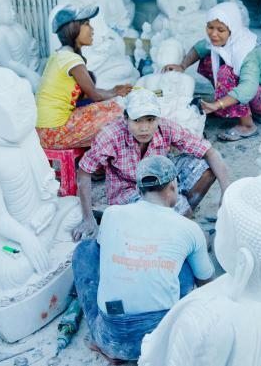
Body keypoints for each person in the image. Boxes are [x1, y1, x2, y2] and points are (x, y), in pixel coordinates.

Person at [72, 155, 215, 363]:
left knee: (85, 250)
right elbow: (206, 284)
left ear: (139, 190)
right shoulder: (189, 229)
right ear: (173, 186)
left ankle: (104, 346)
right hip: (162, 340)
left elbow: (100, 254)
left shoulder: (112, 214)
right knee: (185, 262)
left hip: (111, 339)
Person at [73, 89, 230, 239]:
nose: (144, 128)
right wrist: (88, 218)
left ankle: (181, 212)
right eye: (137, 121)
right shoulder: (110, 135)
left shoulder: (165, 127)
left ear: (158, 118)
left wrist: (226, 192)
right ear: (125, 119)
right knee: (170, 215)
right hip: (128, 190)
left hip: (162, 180)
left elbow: (210, 152)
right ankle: (176, 217)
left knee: (207, 165)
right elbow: (84, 172)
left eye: (150, 120)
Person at [164, 2, 261, 142]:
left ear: (232, 30)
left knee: (225, 73)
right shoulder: (220, 40)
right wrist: (182, 66)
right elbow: (199, 48)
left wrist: (217, 105)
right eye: (210, 27)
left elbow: (247, 89)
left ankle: (247, 125)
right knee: (209, 60)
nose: (213, 34)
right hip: (249, 93)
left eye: (220, 30)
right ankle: (229, 105)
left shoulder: (246, 51)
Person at [35, 5, 132, 149]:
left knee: (109, 108)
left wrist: (114, 91)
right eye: (86, 24)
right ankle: (102, 163)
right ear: (72, 29)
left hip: (45, 130)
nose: (92, 29)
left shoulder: (60, 56)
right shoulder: (71, 59)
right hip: (53, 132)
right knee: (120, 117)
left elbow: (88, 94)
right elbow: (95, 95)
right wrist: (116, 91)